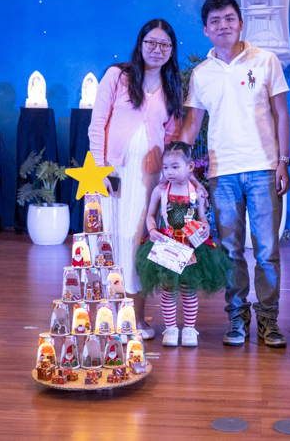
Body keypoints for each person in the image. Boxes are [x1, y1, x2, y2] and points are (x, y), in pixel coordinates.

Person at [181, 0, 290, 348]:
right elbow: (192, 125)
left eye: (229, 18)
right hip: (221, 173)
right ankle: (237, 317)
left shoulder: (265, 61)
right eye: (215, 21)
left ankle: (270, 319)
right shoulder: (201, 74)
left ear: (240, 22)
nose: (223, 25)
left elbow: (281, 114)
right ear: (205, 30)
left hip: (262, 168)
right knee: (230, 249)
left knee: (267, 250)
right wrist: (177, 167)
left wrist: (283, 161)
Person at [88, 19, 183, 340]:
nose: (157, 50)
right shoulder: (117, 76)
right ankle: (109, 317)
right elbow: (97, 123)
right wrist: (100, 169)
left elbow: (171, 137)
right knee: (111, 241)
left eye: (164, 45)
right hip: (113, 174)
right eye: (151, 43)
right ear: (141, 43)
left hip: (148, 179)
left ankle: (137, 319)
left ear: (172, 51)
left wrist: (170, 180)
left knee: (137, 242)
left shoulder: (172, 88)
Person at [136, 142, 229, 347]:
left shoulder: (196, 192)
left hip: (191, 247)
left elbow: (202, 218)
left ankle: (189, 329)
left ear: (190, 167)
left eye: (175, 167)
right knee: (169, 290)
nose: (169, 172)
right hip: (168, 245)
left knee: (188, 290)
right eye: (166, 167)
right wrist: (152, 230)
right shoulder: (161, 191)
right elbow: (151, 216)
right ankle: (170, 329)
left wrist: (204, 227)